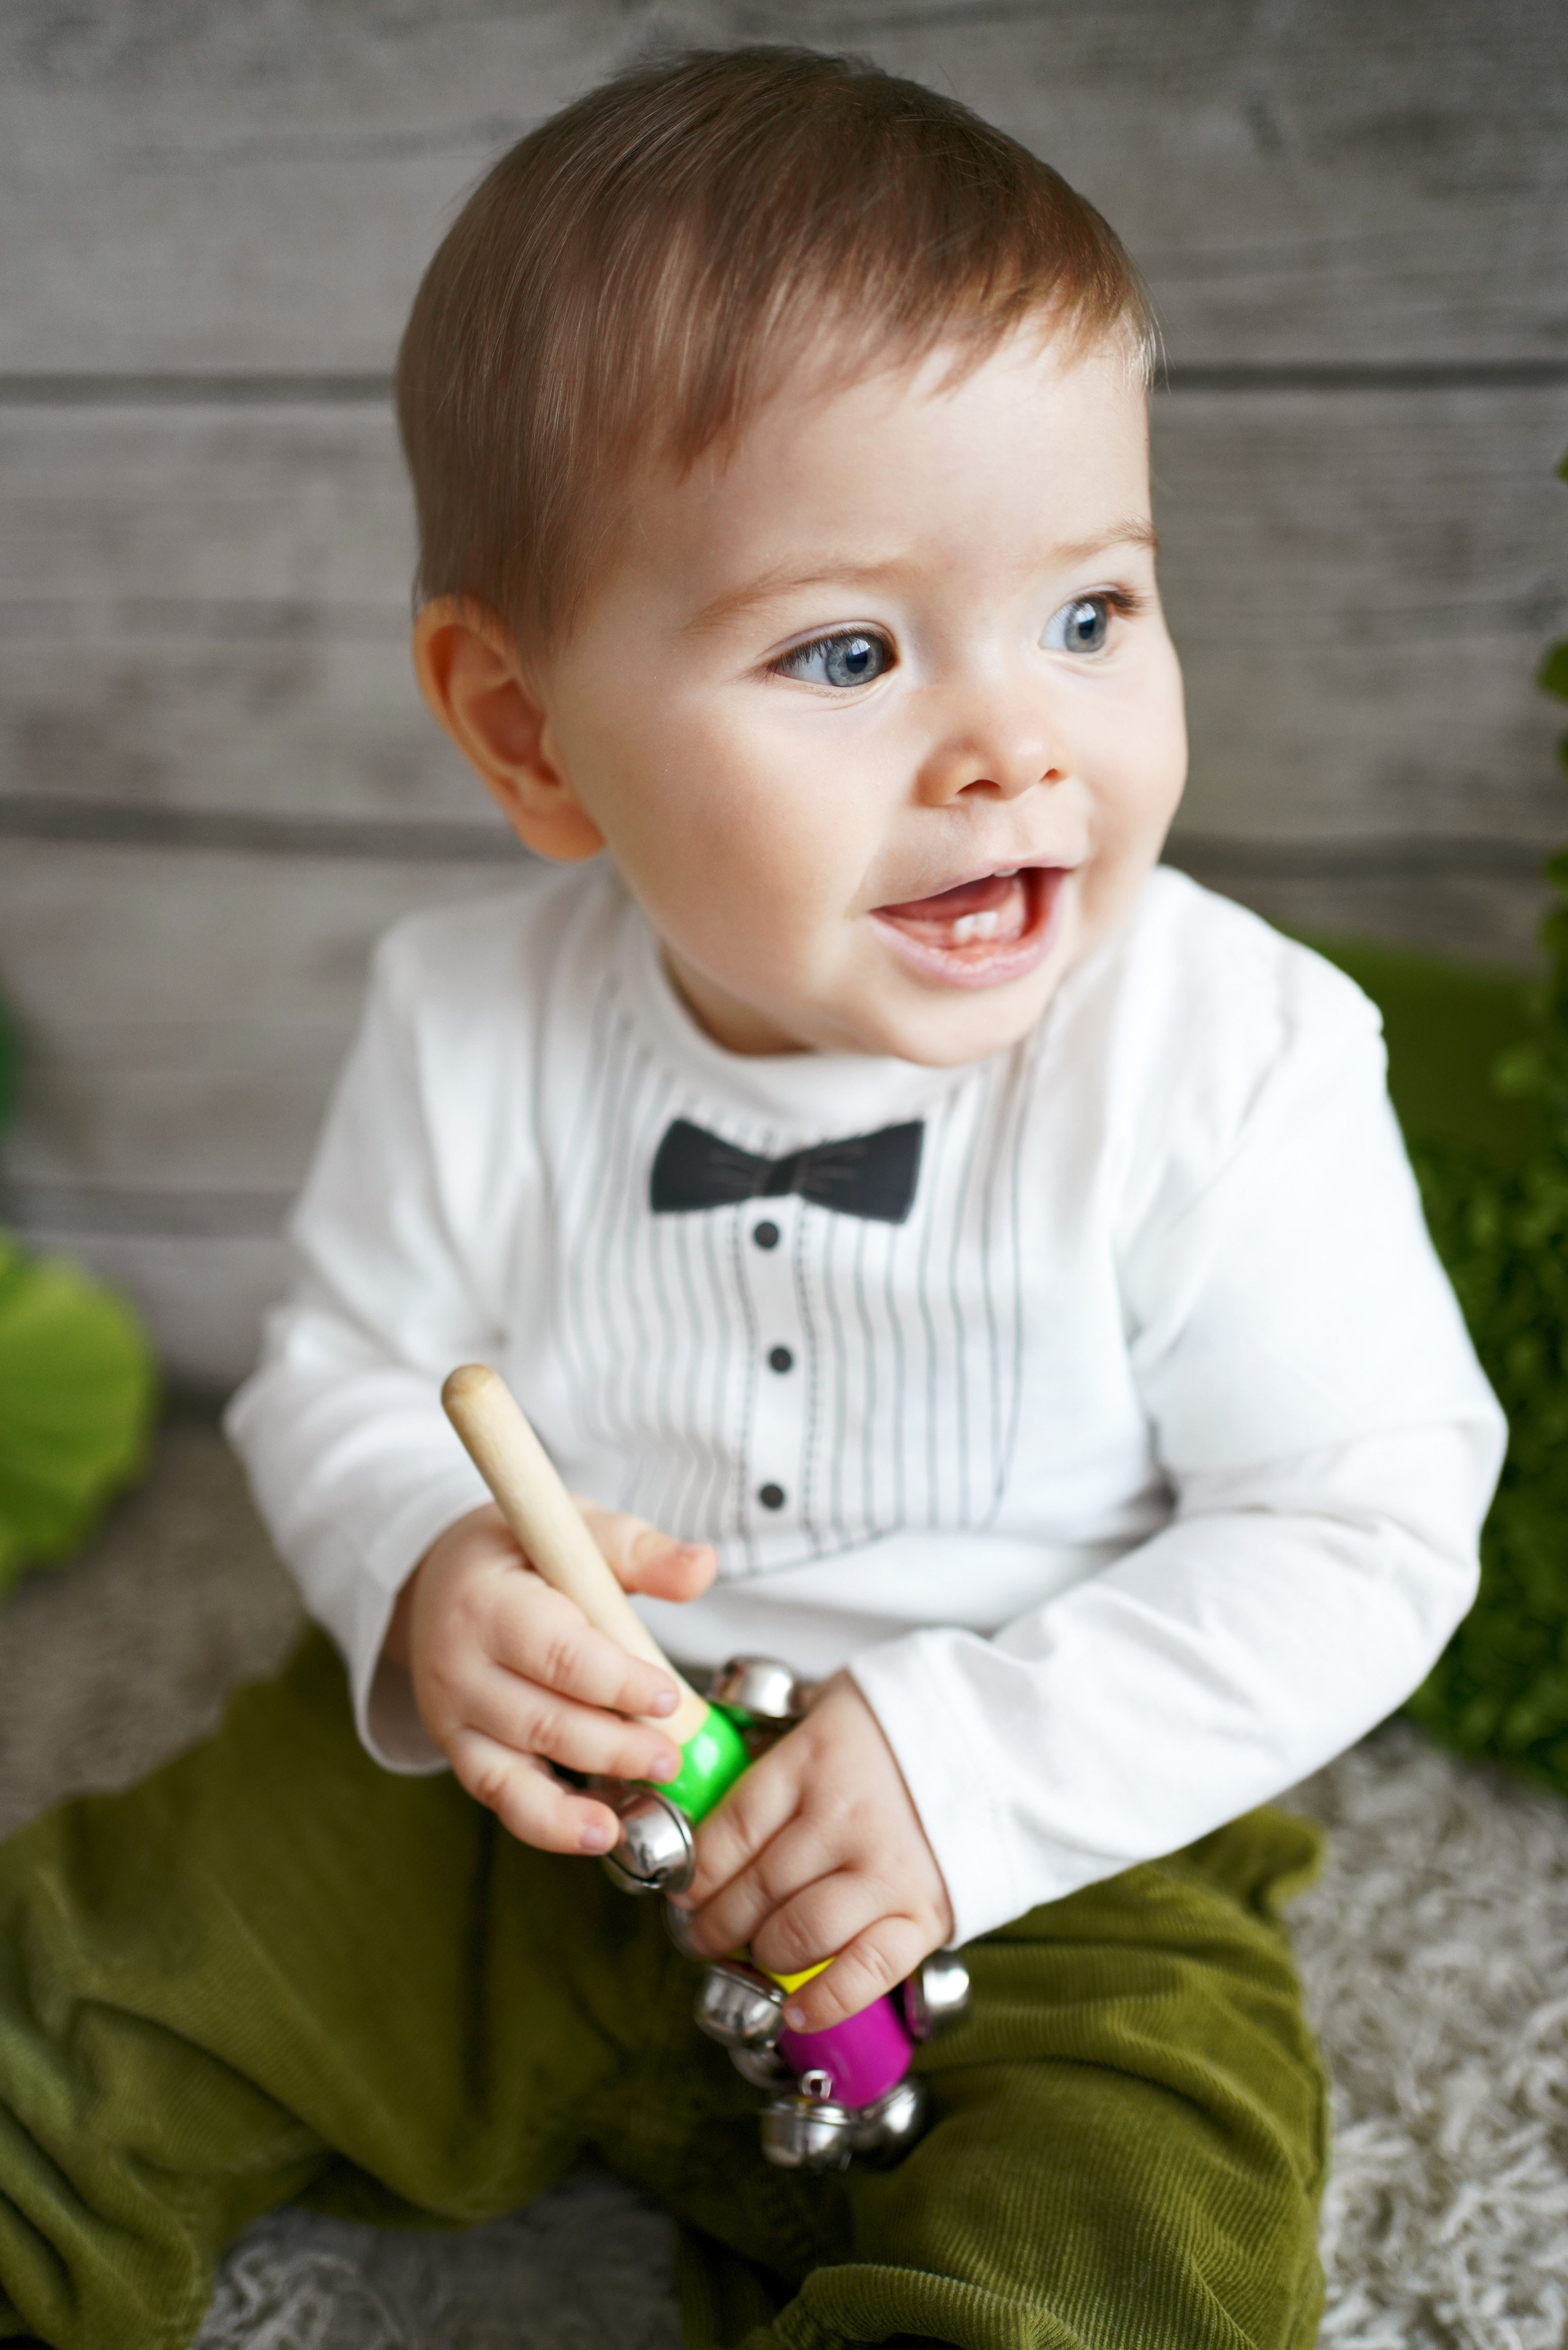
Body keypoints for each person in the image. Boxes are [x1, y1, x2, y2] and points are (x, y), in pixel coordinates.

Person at [0, 46, 1504, 2350]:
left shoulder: (1232, 1050)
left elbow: (1367, 1515)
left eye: (1092, 613)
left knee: (1135, 2208)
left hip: (1028, 1830)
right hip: (549, 1786)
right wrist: (432, 1564)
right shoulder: (462, 1017)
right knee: (96, 1980)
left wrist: (975, 1769)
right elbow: (351, 1376)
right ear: (524, 732)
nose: (1016, 742)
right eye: (847, 651)